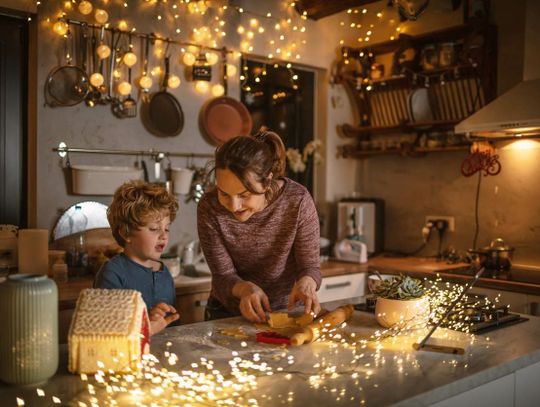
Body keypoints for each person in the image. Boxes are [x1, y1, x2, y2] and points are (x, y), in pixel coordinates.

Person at [197, 130, 322, 323]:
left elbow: (310, 266)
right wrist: (246, 289)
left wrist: (307, 283)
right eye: (224, 193)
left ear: (267, 182)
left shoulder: (297, 201)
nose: (234, 206)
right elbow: (223, 276)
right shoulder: (209, 206)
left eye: (244, 195)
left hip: (286, 314)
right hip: (227, 315)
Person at [95, 180, 180, 335]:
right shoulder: (113, 274)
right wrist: (146, 323)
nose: (163, 236)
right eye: (154, 229)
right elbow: (107, 332)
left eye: (166, 229)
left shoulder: (164, 272)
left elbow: (173, 325)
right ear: (126, 233)